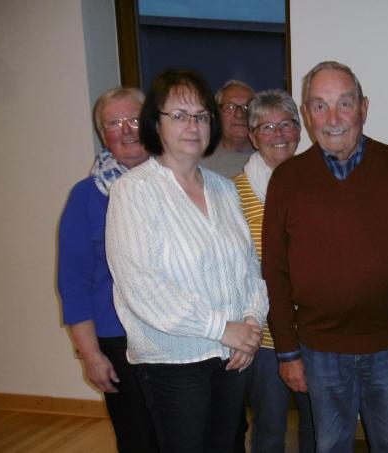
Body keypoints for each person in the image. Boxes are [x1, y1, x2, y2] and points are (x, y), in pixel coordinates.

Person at [262, 61, 388, 453]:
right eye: (320, 106)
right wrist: (288, 350)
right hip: (319, 349)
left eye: (345, 103)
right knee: (331, 445)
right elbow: (275, 270)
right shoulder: (286, 179)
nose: (333, 118)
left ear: (364, 108)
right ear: (306, 114)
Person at [105, 69, 268, 453]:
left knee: (229, 445)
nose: (192, 125)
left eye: (200, 115)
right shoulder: (133, 192)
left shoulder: (225, 189)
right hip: (174, 362)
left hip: (232, 357)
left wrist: (251, 323)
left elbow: (248, 268)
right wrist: (222, 328)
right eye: (178, 115)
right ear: (155, 124)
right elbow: (142, 288)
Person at [58, 86, 158, 453]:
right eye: (113, 123)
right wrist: (90, 355)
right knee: (139, 439)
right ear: (103, 135)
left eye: (134, 119)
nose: (127, 130)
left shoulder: (181, 184)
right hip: (119, 340)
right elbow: (73, 283)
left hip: (179, 336)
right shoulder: (86, 196)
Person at [232, 89, 314, 453]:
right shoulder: (233, 192)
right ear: (252, 136)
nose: (278, 133)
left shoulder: (318, 184)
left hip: (314, 331)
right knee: (269, 429)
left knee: (319, 424)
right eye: (266, 127)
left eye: (286, 124)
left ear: (299, 130)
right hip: (263, 335)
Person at [202, 80, 256, 177]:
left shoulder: (270, 158)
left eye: (246, 107)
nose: (239, 115)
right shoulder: (199, 162)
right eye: (230, 107)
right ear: (217, 113)